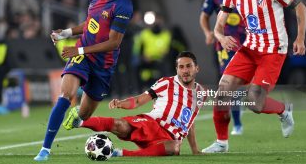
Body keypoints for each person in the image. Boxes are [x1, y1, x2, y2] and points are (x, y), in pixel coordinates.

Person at [202, 0, 306, 153]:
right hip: (249, 48)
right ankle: (221, 142)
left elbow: (300, 7)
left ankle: (284, 110)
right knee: (222, 93)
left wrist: (300, 38)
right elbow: (218, 26)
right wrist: (222, 38)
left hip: (273, 50)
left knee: (255, 103)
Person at [34, 0, 133, 161]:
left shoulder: (123, 6)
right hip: (84, 58)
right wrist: (66, 33)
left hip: (103, 65)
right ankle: (45, 149)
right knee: (66, 94)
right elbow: (91, 23)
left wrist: (79, 50)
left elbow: (114, 43)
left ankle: (77, 113)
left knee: (85, 115)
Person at [64, 51, 206, 156]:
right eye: (181, 67)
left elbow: (190, 122)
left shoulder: (201, 94)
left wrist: (195, 150)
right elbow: (139, 100)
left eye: (189, 66)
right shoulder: (167, 83)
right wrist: (121, 103)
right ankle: (80, 121)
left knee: (175, 147)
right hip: (152, 124)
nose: (185, 71)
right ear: (177, 69)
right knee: (121, 126)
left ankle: (121, 153)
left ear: (197, 68)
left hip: (170, 139)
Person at [199, 0, 246, 136]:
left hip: (248, 45)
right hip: (224, 46)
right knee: (228, 84)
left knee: (241, 86)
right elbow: (204, 16)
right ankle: (236, 124)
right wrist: (208, 33)